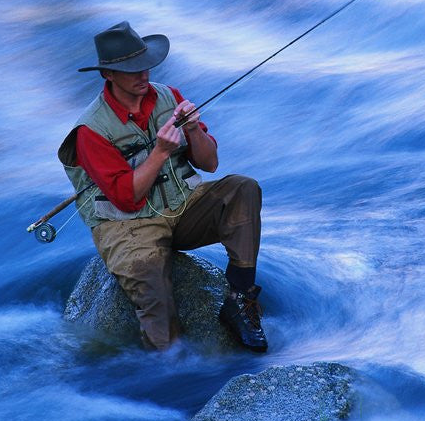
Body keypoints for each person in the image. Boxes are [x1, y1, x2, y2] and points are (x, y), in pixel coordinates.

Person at [58, 20, 268, 353]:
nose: (143, 75)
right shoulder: (90, 131)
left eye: (145, 65)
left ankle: (239, 300)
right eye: (131, 70)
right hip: (127, 226)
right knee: (157, 306)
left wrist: (194, 130)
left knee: (243, 189)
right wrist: (160, 152)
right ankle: (169, 367)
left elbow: (210, 164)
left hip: (183, 206)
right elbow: (127, 199)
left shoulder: (169, 96)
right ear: (108, 75)